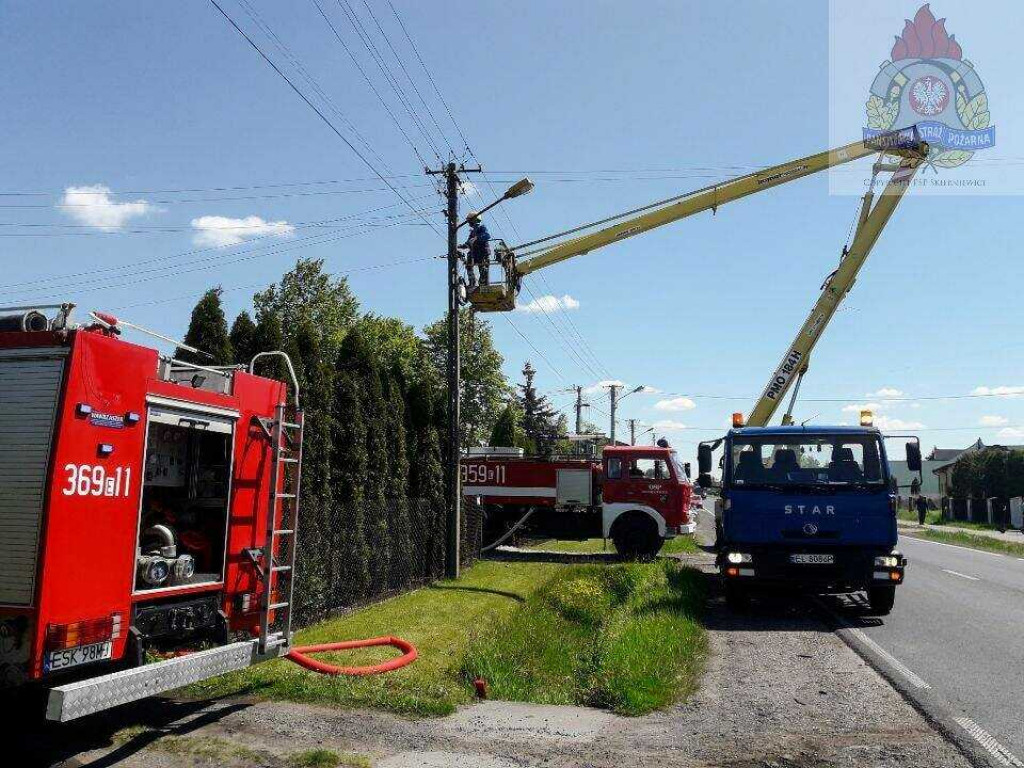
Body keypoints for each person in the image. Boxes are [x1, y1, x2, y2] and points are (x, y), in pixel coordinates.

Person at [461, 212, 491, 288]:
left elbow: (487, 236)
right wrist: (461, 246)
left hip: (482, 253)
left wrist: (477, 238)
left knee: (483, 269)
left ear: (473, 220)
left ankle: (484, 284)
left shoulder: (481, 227)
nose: (469, 223)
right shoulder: (472, 232)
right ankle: (472, 282)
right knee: (468, 265)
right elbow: (468, 243)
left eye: (469, 221)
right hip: (474, 254)